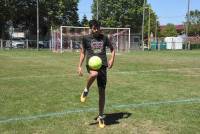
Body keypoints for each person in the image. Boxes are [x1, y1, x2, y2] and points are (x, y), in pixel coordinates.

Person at [78, 19, 115, 128]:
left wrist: (112, 59)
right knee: (94, 74)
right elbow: (82, 53)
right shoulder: (86, 38)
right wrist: (79, 66)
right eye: (94, 28)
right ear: (91, 28)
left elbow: (112, 49)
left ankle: (100, 116)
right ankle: (86, 90)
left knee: (102, 93)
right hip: (92, 64)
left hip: (103, 65)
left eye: (98, 27)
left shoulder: (104, 38)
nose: (96, 29)